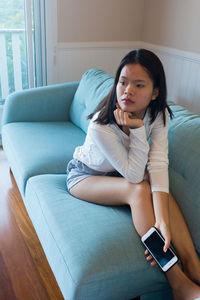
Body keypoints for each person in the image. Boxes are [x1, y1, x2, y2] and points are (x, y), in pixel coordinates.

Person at [66, 49, 200, 300]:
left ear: (155, 92)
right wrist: (137, 130)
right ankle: (177, 282)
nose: (127, 90)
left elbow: (158, 165)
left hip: (119, 174)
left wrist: (162, 221)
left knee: (155, 185)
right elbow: (135, 176)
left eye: (139, 85)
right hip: (85, 176)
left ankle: (193, 265)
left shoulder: (158, 114)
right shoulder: (100, 124)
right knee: (140, 188)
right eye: (123, 82)